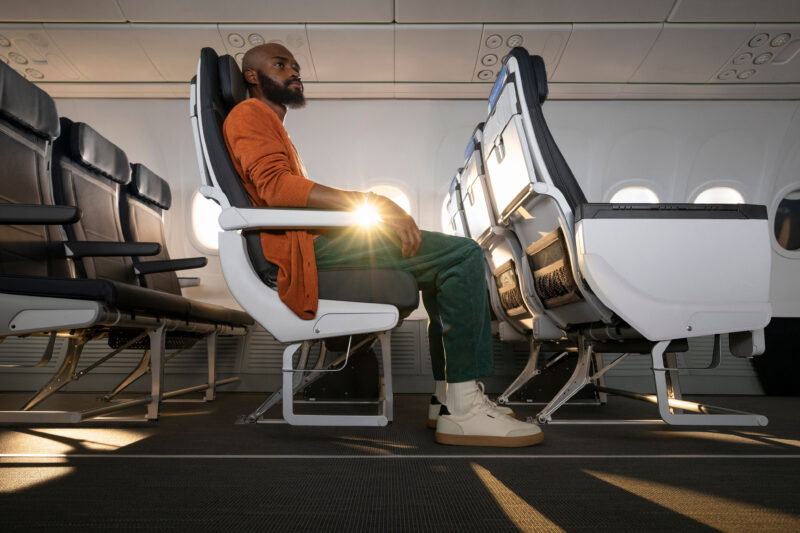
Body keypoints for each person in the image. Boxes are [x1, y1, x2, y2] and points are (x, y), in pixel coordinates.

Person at [223, 43, 543, 447]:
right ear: (252, 76)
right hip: (300, 252)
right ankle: (463, 409)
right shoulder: (249, 113)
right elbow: (276, 188)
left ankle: (450, 399)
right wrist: (372, 202)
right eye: (280, 64)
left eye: (296, 66)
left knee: (446, 261)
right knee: (463, 255)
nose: (293, 72)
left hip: (309, 243)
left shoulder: (270, 123)